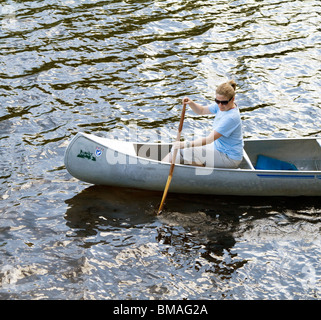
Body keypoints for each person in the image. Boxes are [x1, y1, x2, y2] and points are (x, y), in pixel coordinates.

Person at [162, 80, 243, 168]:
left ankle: (202, 173)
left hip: (229, 158)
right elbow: (201, 110)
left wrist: (184, 144)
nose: (220, 105)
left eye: (224, 102)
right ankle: (161, 168)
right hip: (217, 147)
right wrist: (191, 103)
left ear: (233, 99)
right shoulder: (222, 105)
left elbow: (209, 140)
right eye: (217, 101)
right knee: (176, 149)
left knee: (187, 150)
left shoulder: (231, 118)